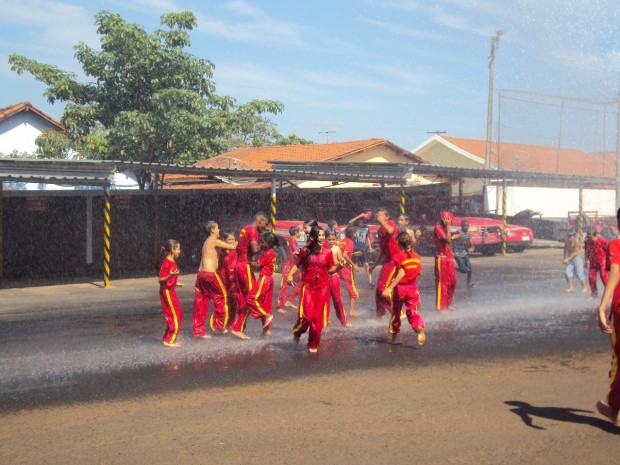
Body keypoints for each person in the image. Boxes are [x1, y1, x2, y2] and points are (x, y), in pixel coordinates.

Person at [287, 226, 346, 353]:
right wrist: (290, 275)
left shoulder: (328, 252)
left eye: (323, 235)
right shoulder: (305, 251)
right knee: (307, 317)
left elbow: (330, 270)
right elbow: (297, 264)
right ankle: (297, 332)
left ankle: (313, 345)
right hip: (308, 287)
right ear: (313, 238)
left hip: (322, 288)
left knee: (317, 319)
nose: (322, 238)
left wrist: (339, 267)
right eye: (319, 236)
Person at [595, 207, 620, 424]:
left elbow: (615, 273)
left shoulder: (616, 244)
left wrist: (601, 308)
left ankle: (614, 408)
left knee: (618, 360)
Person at [230, 232, 278, 339]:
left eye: (263, 242)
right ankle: (266, 329)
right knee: (264, 302)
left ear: (269, 243)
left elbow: (257, 265)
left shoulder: (267, 253)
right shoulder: (271, 252)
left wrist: (248, 261)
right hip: (269, 279)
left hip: (264, 279)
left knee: (251, 299)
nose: (261, 243)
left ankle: (266, 315)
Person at [192, 222, 236, 338]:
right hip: (210, 274)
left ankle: (198, 330)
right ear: (212, 230)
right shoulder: (213, 240)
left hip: (201, 274)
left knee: (201, 302)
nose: (219, 230)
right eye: (217, 228)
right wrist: (239, 241)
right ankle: (219, 326)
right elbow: (233, 247)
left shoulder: (207, 242)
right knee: (222, 296)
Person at [382, 231, 425, 346]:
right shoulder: (417, 257)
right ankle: (418, 328)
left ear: (399, 244)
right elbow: (419, 272)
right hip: (413, 288)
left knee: (396, 313)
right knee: (412, 312)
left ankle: (394, 337)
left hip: (400, 289)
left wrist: (389, 288)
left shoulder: (398, 257)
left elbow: (401, 273)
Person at [233, 212, 269, 322]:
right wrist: (264, 245)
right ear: (260, 221)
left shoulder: (245, 228)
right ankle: (264, 315)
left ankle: (239, 326)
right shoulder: (253, 230)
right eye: (265, 224)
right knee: (252, 296)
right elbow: (255, 249)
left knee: (244, 296)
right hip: (244, 266)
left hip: (239, 265)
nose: (265, 227)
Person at [370, 208, 399, 318]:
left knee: (383, 288)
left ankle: (397, 313)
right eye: (377, 215)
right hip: (387, 261)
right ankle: (380, 315)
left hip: (394, 261)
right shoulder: (379, 230)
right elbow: (382, 251)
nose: (378, 216)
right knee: (378, 291)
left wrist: (382, 221)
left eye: (380, 215)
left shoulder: (390, 223)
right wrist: (374, 265)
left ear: (387, 217)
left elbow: (390, 231)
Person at [158, 239, 184, 348]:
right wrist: (171, 276)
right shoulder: (167, 262)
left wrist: (175, 283)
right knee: (175, 315)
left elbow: (167, 280)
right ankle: (170, 340)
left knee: (178, 314)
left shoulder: (171, 261)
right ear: (173, 250)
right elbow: (161, 279)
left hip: (171, 290)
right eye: (178, 249)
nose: (179, 251)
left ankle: (168, 337)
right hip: (167, 292)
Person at [434, 211, 459, 311]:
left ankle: (448, 303)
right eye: (450, 220)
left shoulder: (446, 229)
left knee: (453, 281)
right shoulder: (438, 228)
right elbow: (447, 239)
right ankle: (441, 306)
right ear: (446, 220)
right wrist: (448, 227)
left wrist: (452, 255)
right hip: (442, 258)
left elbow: (449, 242)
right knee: (443, 283)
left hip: (449, 258)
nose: (452, 222)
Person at [325, 228, 351, 327]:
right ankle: (325, 319)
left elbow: (341, 259)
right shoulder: (322, 249)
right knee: (324, 299)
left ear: (335, 239)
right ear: (325, 239)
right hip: (324, 277)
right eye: (329, 239)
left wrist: (342, 262)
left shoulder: (337, 249)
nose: (331, 241)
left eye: (333, 239)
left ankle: (344, 320)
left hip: (334, 276)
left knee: (337, 298)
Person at [276, 225, 302, 314]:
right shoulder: (293, 240)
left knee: (299, 284)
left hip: (293, 266)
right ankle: (279, 306)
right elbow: (296, 252)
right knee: (285, 286)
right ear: (296, 233)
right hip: (289, 266)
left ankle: (289, 301)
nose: (300, 233)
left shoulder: (290, 240)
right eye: (299, 232)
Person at [339, 225, 360, 317]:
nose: (356, 234)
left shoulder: (343, 241)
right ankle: (352, 311)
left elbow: (343, 252)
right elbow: (345, 254)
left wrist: (354, 253)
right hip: (345, 268)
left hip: (339, 267)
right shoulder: (351, 242)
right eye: (355, 233)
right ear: (352, 234)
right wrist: (353, 264)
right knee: (351, 287)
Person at [348, 212, 374, 288]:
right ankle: (353, 281)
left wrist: (370, 247)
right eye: (359, 222)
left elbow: (367, 237)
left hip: (363, 248)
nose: (360, 223)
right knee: (355, 265)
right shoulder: (354, 227)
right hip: (356, 248)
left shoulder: (366, 228)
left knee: (366, 265)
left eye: (361, 222)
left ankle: (370, 281)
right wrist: (359, 215)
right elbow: (350, 222)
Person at [585, 230, 609, 298]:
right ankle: (594, 294)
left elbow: (609, 250)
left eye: (591, 237)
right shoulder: (587, 241)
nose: (589, 239)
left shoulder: (601, 240)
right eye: (588, 237)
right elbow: (586, 251)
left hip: (602, 261)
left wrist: (610, 260)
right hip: (593, 262)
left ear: (595, 236)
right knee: (591, 278)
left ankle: (609, 294)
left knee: (603, 277)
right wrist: (585, 261)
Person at [453, 219, 474, 288]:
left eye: (467, 226)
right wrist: (452, 251)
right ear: (461, 226)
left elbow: (470, 243)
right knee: (464, 270)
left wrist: (472, 247)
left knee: (470, 268)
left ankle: (469, 282)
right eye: (464, 226)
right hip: (457, 253)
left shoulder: (468, 234)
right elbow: (451, 240)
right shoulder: (459, 232)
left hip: (464, 252)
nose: (466, 227)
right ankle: (453, 268)